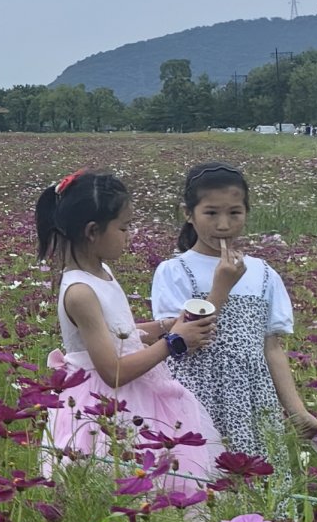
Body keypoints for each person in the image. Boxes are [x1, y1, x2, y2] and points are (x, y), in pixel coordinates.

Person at [36, 168, 219, 499]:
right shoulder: (80, 291)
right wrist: (175, 342)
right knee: (120, 487)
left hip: (132, 395)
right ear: (93, 231)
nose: (129, 235)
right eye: (123, 227)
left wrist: (166, 325)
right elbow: (113, 371)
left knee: (151, 484)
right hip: (101, 408)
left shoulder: (101, 272)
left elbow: (121, 335)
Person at [149, 161, 317, 452]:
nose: (223, 225)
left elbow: (271, 348)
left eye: (235, 213)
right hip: (197, 394)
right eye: (211, 213)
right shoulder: (174, 271)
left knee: (257, 480)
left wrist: (297, 411)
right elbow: (183, 342)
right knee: (206, 480)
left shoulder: (263, 272)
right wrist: (221, 288)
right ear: (188, 214)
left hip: (254, 398)